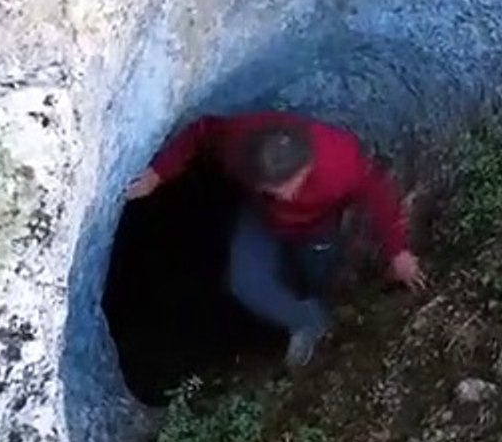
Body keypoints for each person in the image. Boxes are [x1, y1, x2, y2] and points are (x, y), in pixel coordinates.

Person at [125, 111, 427, 370]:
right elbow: (201, 131)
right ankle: (307, 321)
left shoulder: (339, 161)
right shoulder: (238, 143)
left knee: (314, 278)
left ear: (308, 165)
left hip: (317, 227)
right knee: (243, 282)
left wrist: (397, 251)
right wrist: (157, 174)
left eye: (291, 186)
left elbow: (375, 190)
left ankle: (321, 308)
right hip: (262, 220)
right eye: (273, 189)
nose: (285, 197)